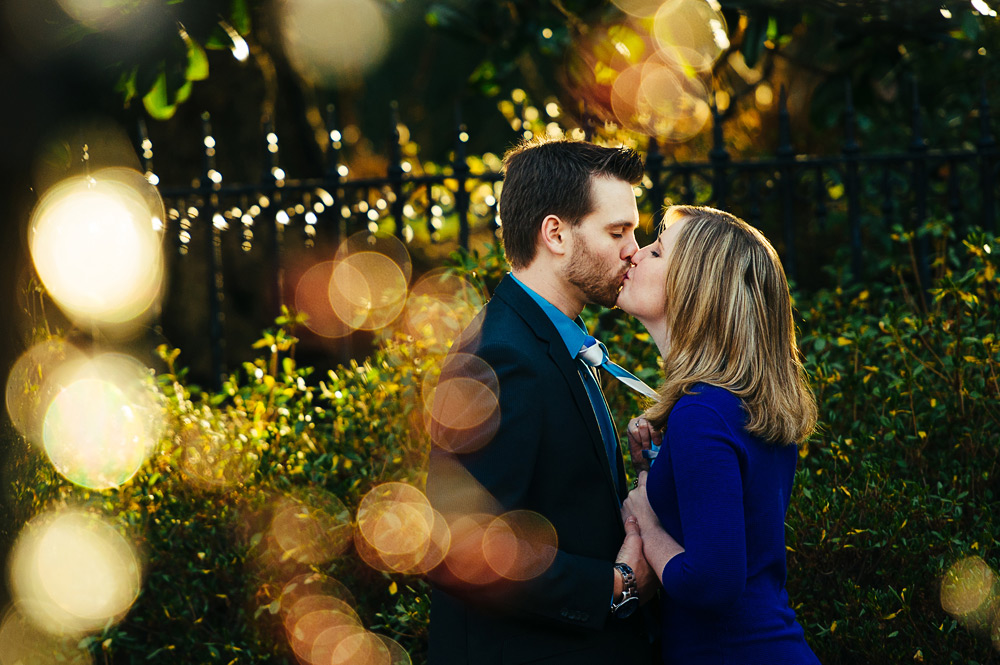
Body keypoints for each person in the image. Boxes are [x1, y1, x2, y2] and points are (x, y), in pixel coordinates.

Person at [425, 138, 658, 664]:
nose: (633, 250)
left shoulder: (552, 339)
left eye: (634, 231)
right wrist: (612, 584)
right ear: (555, 233)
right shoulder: (503, 356)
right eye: (617, 231)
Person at [618, 204, 821, 664]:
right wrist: (652, 469)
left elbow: (712, 582)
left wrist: (645, 520)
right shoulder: (732, 406)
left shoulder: (702, 414)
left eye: (656, 252)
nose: (634, 253)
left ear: (696, 288)